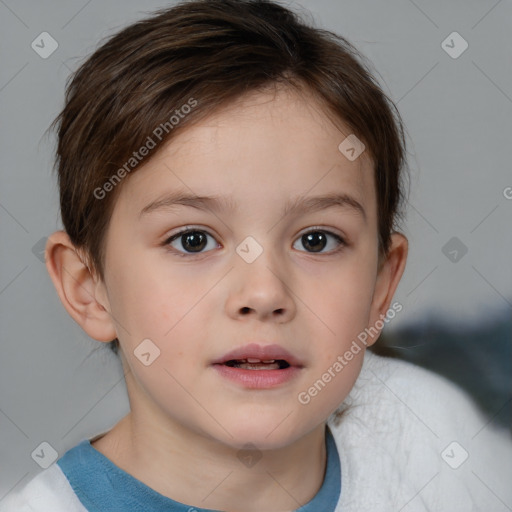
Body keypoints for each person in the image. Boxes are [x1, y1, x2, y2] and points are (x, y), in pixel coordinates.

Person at [2, 1, 511, 510]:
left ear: (381, 287)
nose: (264, 293)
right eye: (193, 240)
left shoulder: (437, 443)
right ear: (88, 287)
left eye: (317, 240)